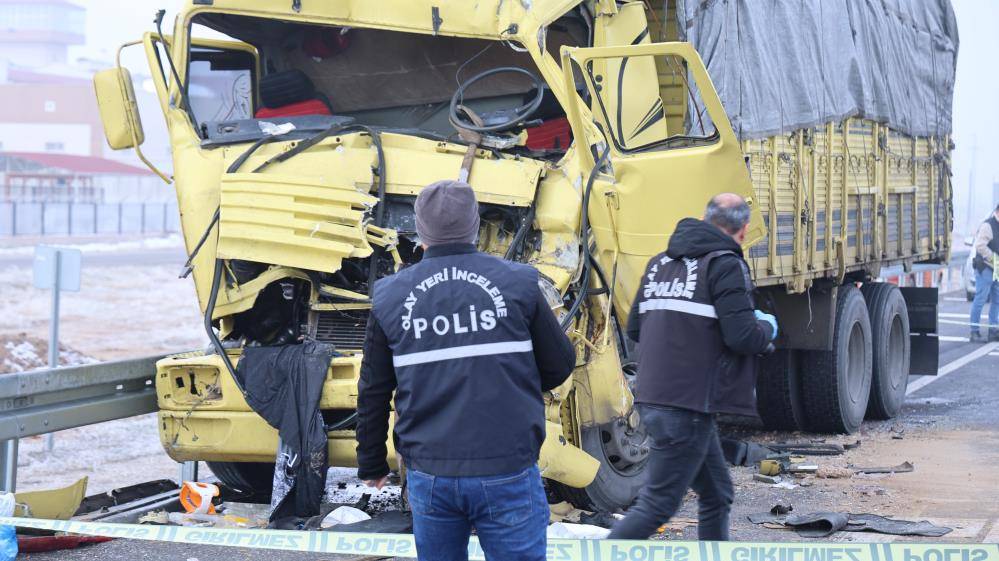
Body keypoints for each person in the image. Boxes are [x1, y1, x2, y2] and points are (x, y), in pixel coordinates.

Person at [355, 180, 576, 561]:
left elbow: (373, 389)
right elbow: (559, 366)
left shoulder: (389, 296)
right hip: (507, 464)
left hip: (430, 473)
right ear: (475, 226)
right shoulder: (520, 282)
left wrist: (371, 461)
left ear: (420, 232)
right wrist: (509, 378)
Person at [608, 193, 777, 541]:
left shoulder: (659, 263)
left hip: (656, 396)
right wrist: (769, 328)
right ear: (743, 230)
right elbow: (743, 336)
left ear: (706, 218)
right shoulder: (725, 265)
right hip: (686, 406)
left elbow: (636, 328)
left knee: (717, 494)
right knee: (658, 505)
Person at [970, 204, 999, 343]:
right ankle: (974, 331)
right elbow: (980, 245)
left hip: (997, 269)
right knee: (980, 299)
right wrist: (993, 258)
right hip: (985, 268)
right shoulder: (988, 226)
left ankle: (993, 330)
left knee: (997, 301)